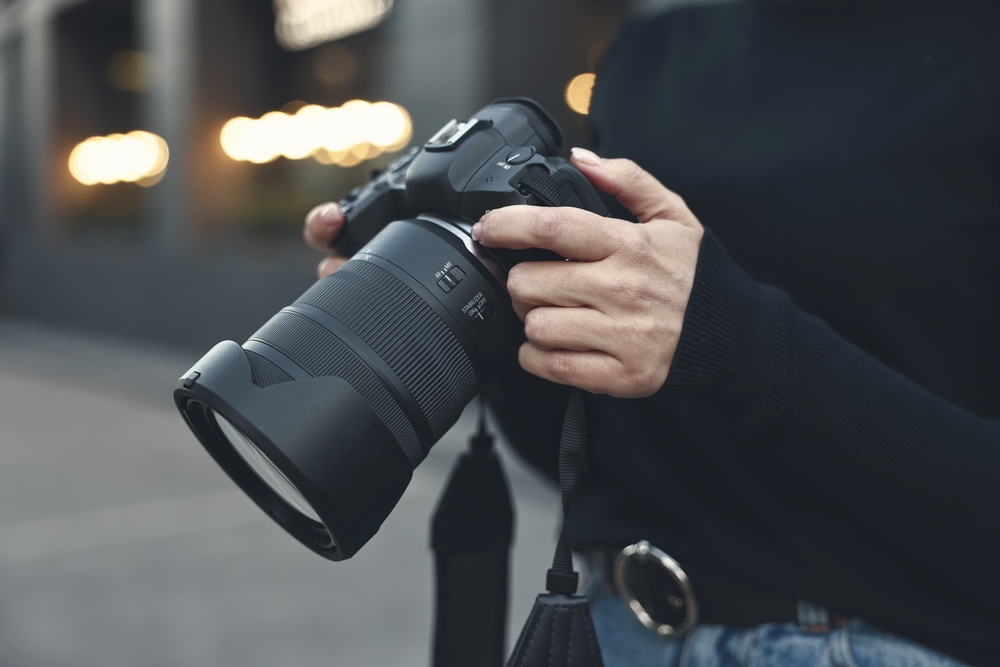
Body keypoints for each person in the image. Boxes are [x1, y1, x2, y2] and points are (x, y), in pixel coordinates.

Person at [304, 1, 1000, 665]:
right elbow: (608, 453)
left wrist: (734, 340)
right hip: (616, 623)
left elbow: (716, 341)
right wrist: (496, 318)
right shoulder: (653, 52)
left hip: (878, 642)